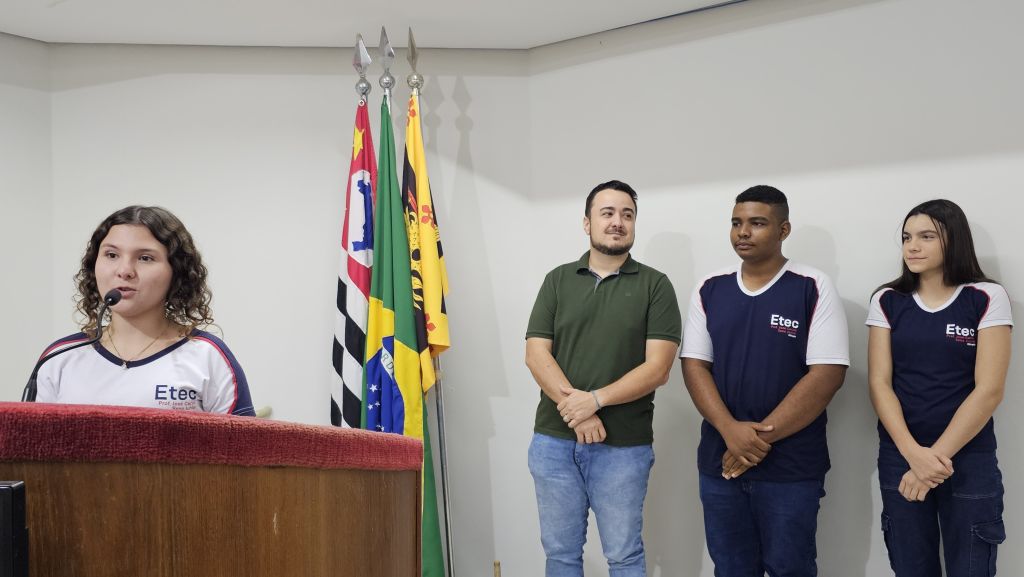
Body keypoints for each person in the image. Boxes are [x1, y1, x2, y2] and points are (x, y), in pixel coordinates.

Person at [680, 185, 848, 576]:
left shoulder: (812, 285)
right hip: (720, 462)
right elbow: (694, 366)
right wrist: (729, 430)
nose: (743, 232)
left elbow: (827, 375)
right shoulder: (710, 287)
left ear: (783, 229)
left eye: (757, 223)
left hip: (790, 468)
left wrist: (753, 441)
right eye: (736, 222)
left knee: (790, 568)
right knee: (731, 569)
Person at [525, 180, 681, 577]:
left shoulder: (656, 285)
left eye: (627, 215)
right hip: (554, 443)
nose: (618, 222)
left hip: (623, 448)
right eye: (607, 213)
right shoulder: (558, 279)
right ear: (587, 222)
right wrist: (578, 411)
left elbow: (658, 368)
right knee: (560, 555)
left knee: (624, 555)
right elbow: (536, 354)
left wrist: (595, 400)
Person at [867, 199, 1010, 577]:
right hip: (901, 455)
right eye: (906, 237)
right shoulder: (887, 300)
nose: (912, 246)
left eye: (926, 237)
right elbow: (879, 383)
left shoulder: (986, 296)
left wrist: (932, 461)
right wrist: (913, 454)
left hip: (969, 457)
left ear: (954, 240)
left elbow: (989, 390)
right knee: (911, 566)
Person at [35, 206, 255, 416]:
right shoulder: (59, 358)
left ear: (176, 272)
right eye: (111, 255)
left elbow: (244, 442)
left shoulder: (208, 357)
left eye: (145, 258)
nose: (124, 271)